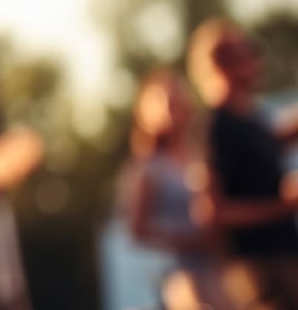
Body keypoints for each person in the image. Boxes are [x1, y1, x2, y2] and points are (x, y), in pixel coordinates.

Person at [187, 17, 298, 309]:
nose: (256, 58)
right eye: (247, 50)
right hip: (255, 268)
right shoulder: (216, 126)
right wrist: (283, 206)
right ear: (222, 65)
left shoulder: (251, 119)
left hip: (283, 255)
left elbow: (271, 141)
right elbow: (213, 212)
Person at [117, 68, 228, 308]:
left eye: (176, 100)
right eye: (164, 102)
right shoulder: (148, 167)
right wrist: (183, 240)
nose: (172, 108)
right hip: (176, 272)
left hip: (212, 263)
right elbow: (136, 231)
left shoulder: (199, 155)